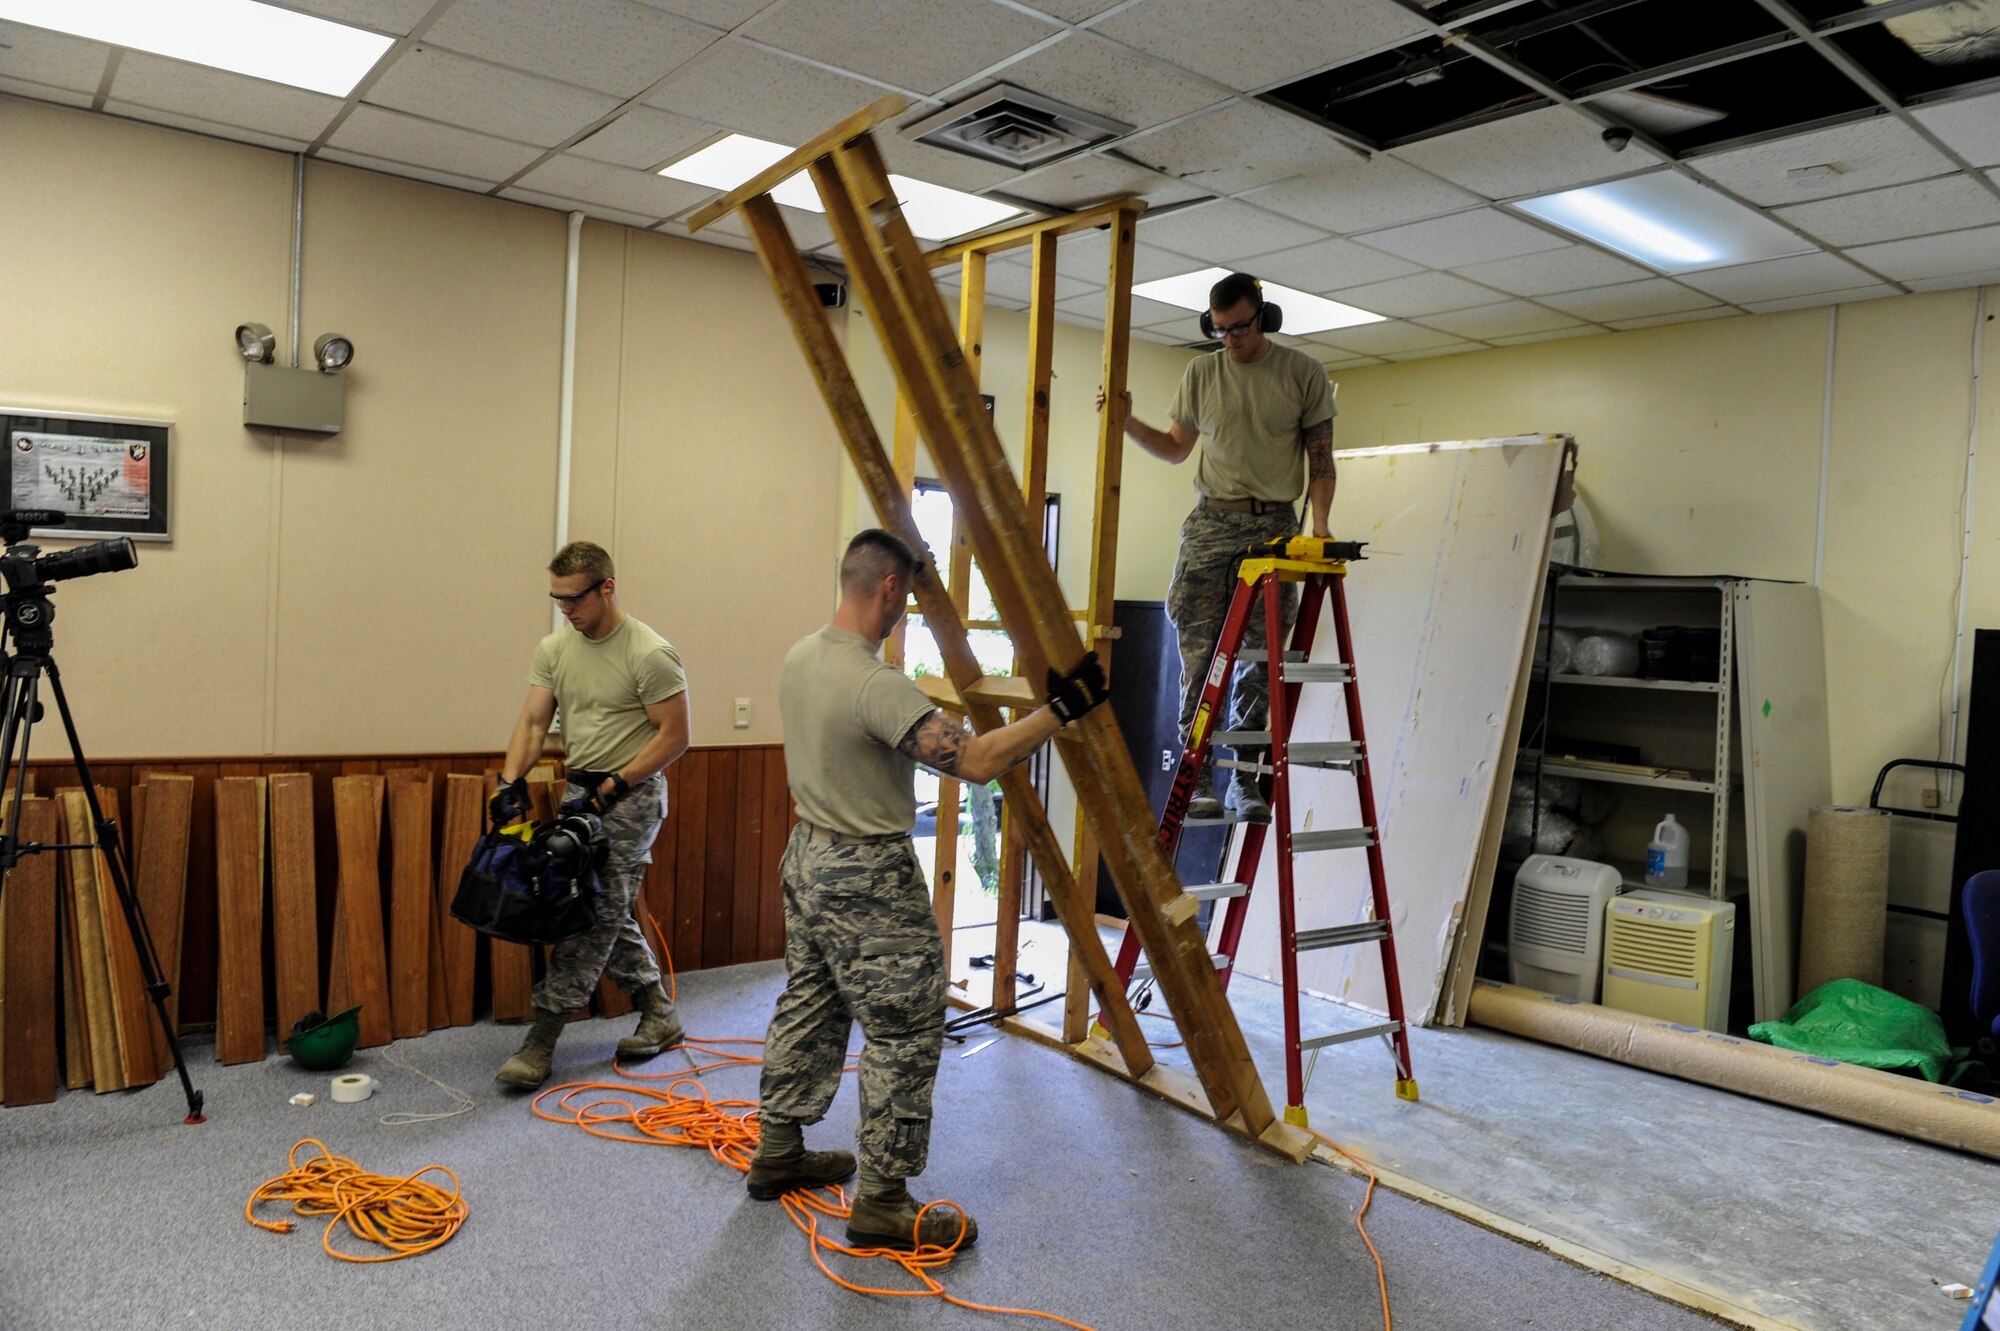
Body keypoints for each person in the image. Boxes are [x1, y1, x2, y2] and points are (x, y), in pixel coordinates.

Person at [745, 529, 1106, 1249]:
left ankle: (778, 1150)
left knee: (810, 1002)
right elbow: (973, 761)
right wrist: (1061, 712)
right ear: (886, 589)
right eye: (905, 595)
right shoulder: (874, 683)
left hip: (809, 856)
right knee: (905, 1030)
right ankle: (881, 1201)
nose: (903, 608)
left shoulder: (801, 656)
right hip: (867, 877)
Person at [1098, 271, 1336, 823]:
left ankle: (1245, 778)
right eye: (1219, 330)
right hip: (1211, 523)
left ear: (1264, 317)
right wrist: (1126, 422)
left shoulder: (1302, 374)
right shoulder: (1202, 373)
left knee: (1260, 654)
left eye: (1240, 328)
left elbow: (1321, 459)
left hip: (1273, 524)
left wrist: (1319, 523)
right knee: (1200, 651)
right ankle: (1199, 770)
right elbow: (1176, 448)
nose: (1230, 340)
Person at [490, 540, 691, 1089]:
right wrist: (509, 782)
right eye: (558, 600)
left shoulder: (648, 653)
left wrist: (615, 784)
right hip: (583, 792)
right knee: (607, 908)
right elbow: (533, 724)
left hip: (632, 795)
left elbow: (676, 737)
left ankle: (541, 1039)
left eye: (575, 599)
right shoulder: (555, 649)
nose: (567, 610)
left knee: (594, 912)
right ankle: (658, 1011)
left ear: (607, 588)